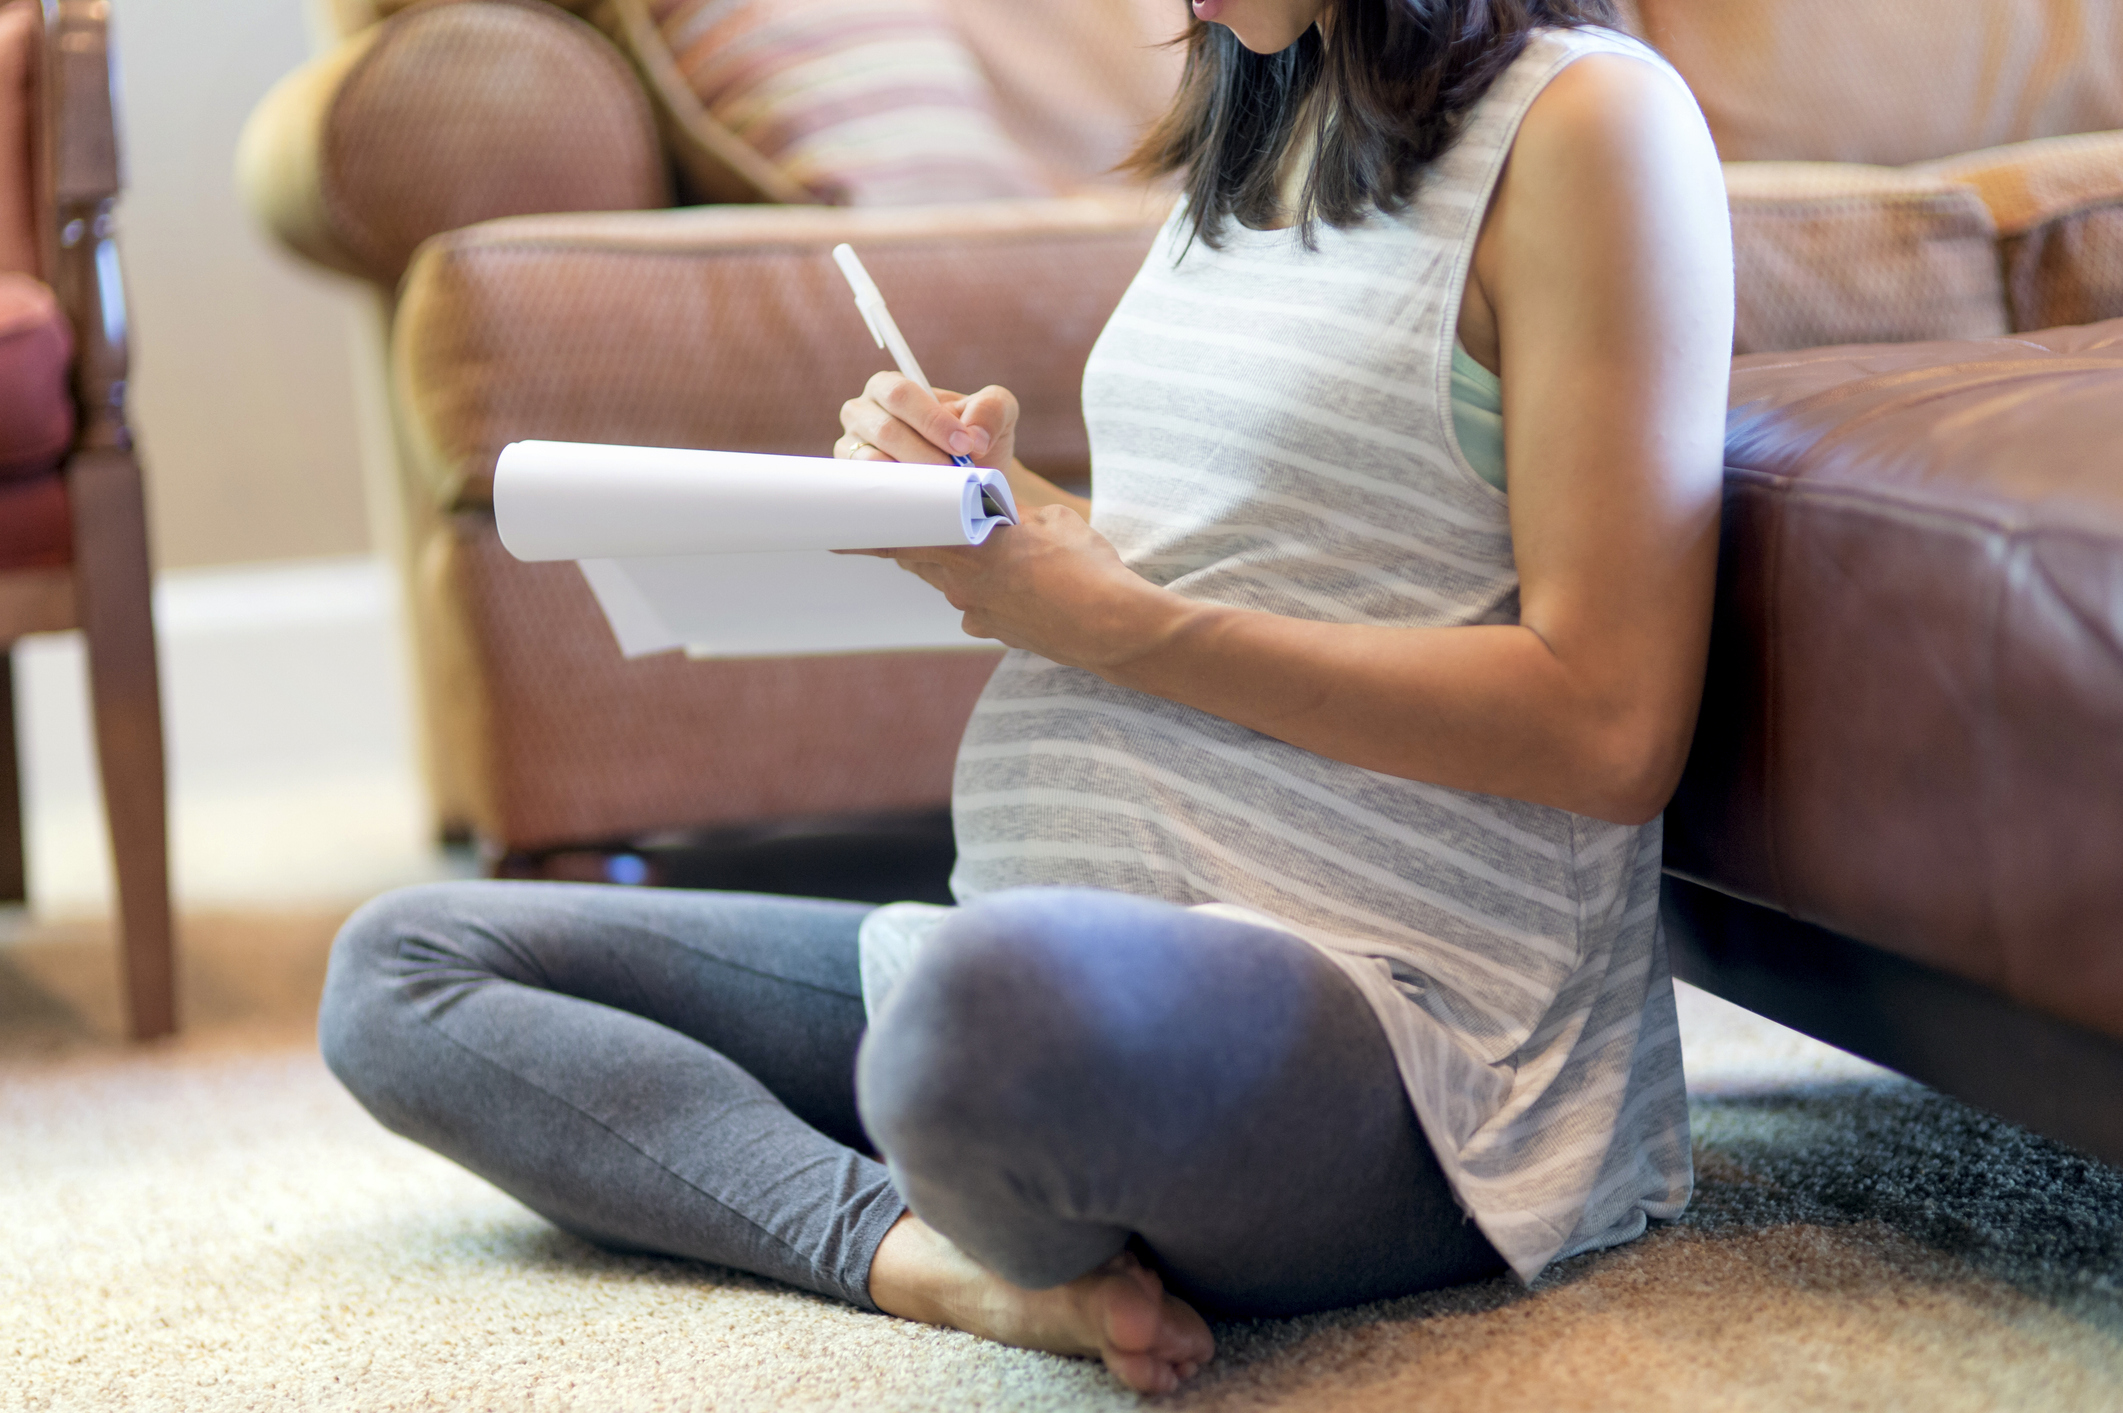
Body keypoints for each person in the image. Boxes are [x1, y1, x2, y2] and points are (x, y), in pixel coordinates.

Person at [318, 0, 1732, 1395]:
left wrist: (1120, 623)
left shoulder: (1590, 123)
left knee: (972, 1031)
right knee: (401, 968)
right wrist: (1014, 519)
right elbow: (1250, 564)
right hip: (1073, 945)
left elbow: (1609, 725)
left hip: (1410, 1033)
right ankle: (921, 1256)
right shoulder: (1275, 103)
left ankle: (978, 1148)